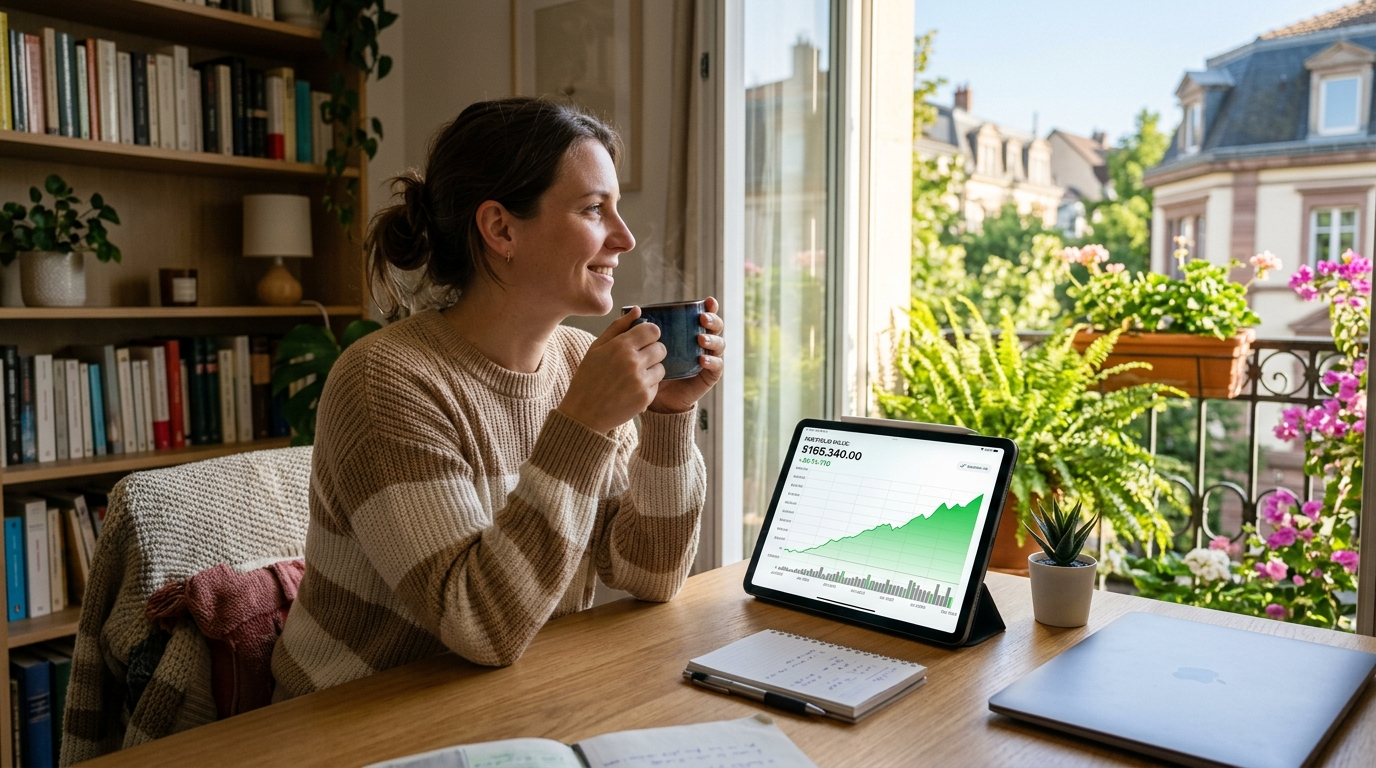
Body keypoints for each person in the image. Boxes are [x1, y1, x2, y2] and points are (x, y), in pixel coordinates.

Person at [271, 97, 724, 699]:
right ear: (501, 229)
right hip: (350, 716)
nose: (625, 237)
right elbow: (478, 623)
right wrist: (582, 425)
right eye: (594, 209)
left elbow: (650, 571)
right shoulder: (384, 380)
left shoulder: (576, 362)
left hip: (509, 695)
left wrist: (667, 415)